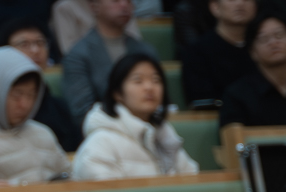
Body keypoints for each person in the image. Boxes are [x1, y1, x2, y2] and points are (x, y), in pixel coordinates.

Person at [73, 52, 201, 181]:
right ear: (117, 93)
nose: (149, 87)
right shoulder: (101, 143)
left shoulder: (166, 137)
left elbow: (194, 183)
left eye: (156, 80)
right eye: (138, 81)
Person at [0, 45, 70, 185]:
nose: (25, 104)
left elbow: (69, 178)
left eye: (31, 95)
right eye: (17, 95)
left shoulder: (43, 132)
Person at [62, 0, 156, 120]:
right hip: (101, 129)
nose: (124, 5)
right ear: (94, 6)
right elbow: (82, 111)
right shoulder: (78, 54)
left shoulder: (145, 50)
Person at [216, 16, 286, 130]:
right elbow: (233, 137)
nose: (273, 43)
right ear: (253, 52)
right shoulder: (237, 96)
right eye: (264, 39)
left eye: (279, 35)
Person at [181, 0, 262, 106]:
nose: (240, 3)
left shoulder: (262, 47)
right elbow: (202, 101)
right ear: (215, 7)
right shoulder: (197, 52)